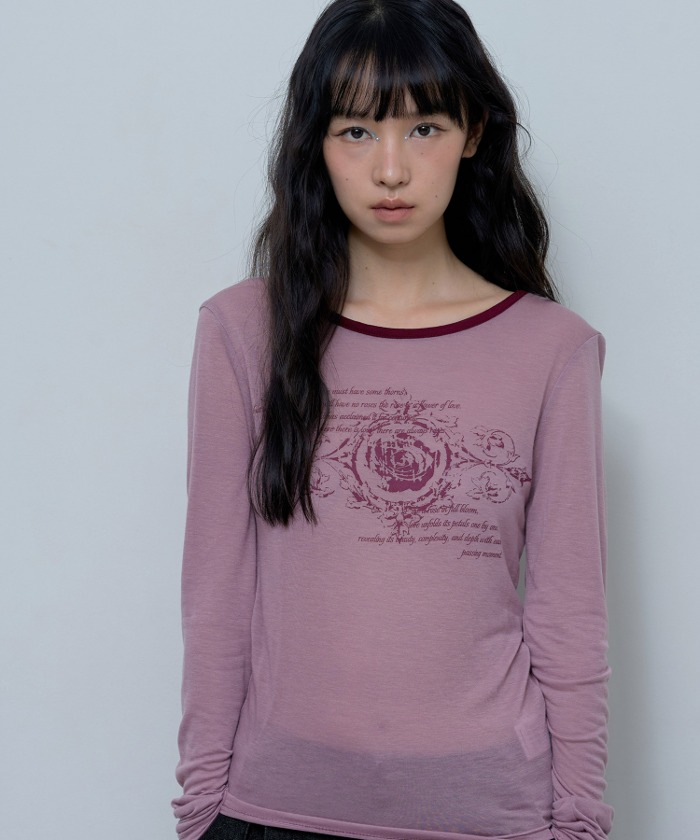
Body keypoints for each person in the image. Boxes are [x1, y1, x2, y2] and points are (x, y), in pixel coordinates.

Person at [171, 1, 614, 839]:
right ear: (315, 142)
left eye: (423, 129)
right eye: (355, 131)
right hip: (272, 810)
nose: (390, 170)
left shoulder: (553, 350)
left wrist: (580, 822)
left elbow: (570, 617)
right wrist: (201, 812)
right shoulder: (241, 331)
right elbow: (216, 596)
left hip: (488, 814)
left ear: (473, 132)